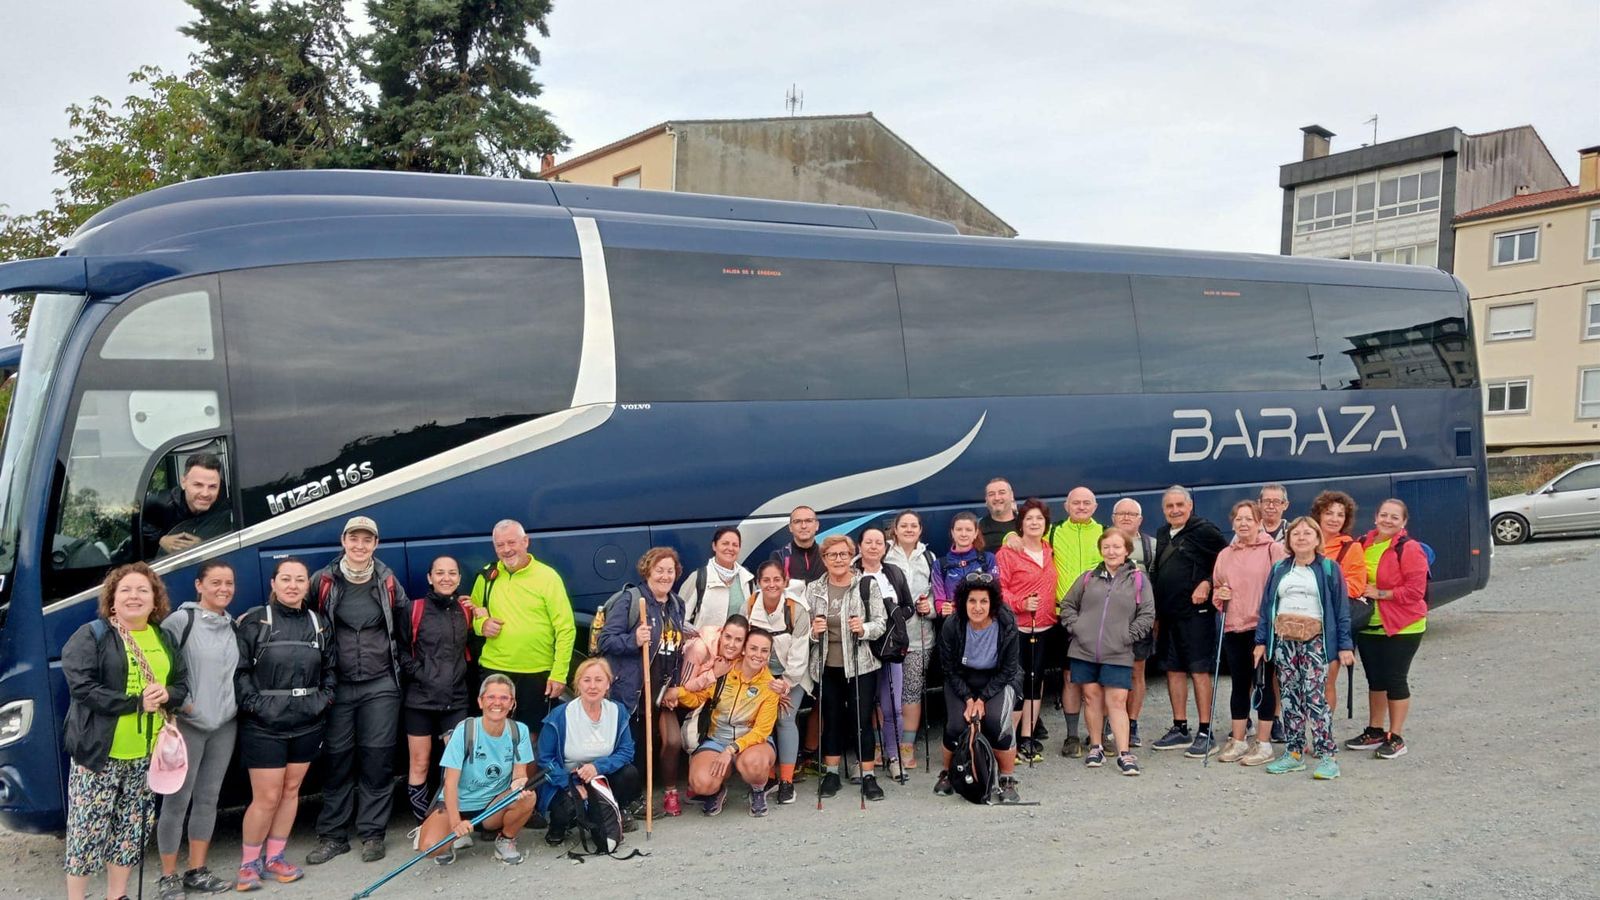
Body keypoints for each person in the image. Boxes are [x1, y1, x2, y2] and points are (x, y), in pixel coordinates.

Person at [63, 563, 191, 900]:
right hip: (99, 754)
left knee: (130, 832)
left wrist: (168, 695)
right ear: (112, 600)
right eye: (126, 590)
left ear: (154, 601)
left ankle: (116, 896)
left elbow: (181, 684)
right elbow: (82, 688)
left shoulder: (163, 637)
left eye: (143, 590)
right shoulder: (92, 635)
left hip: (146, 754)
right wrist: (135, 703)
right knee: (87, 833)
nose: (134, 596)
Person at [308, 516, 411, 865]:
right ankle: (334, 835)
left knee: (377, 760)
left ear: (376, 544)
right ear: (343, 541)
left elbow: (408, 622)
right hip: (337, 683)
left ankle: (372, 833)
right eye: (354, 539)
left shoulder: (387, 580)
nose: (360, 545)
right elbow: (300, 617)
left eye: (367, 540)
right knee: (336, 761)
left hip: (381, 685)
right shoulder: (323, 580)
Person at [233, 558, 334, 891]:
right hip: (264, 724)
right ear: (273, 584)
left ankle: (275, 857)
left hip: (307, 721)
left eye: (300, 580)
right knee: (266, 796)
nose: (293, 585)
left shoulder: (318, 623)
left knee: (291, 791)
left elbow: (331, 670)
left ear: (309, 585)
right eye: (286, 579)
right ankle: (249, 864)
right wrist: (257, 705)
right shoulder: (255, 621)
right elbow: (240, 671)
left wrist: (323, 700)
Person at [155, 561, 240, 898]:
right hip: (187, 725)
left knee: (208, 799)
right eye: (215, 582)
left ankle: (197, 871)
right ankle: (168, 877)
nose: (223, 589)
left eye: (229, 582)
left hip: (224, 726)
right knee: (176, 801)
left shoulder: (232, 625)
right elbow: (161, 667)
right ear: (198, 586)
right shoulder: (180, 621)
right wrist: (185, 706)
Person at [1254, 517, 1356, 779]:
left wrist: (1345, 645)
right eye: (1295, 533)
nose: (1301, 537)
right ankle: (1294, 752)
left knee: (1315, 698)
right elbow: (1266, 608)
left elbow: (1341, 611)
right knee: (1288, 697)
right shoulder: (1279, 569)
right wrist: (1261, 641)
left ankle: (1326, 755)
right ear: (1288, 540)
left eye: (1307, 533)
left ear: (1317, 538)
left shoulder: (1329, 569)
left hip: (1316, 642)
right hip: (1285, 641)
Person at [597, 547, 688, 817]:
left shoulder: (676, 604)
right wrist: (633, 640)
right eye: (659, 570)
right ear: (647, 570)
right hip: (631, 690)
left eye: (670, 570)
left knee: (650, 744)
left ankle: (639, 798)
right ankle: (628, 801)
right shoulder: (631, 600)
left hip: (659, 689)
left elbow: (675, 646)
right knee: (631, 747)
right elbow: (605, 641)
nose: (665, 575)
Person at [469, 519, 577, 735]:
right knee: (493, 733)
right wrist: (482, 625)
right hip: (495, 669)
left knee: (532, 736)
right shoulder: (486, 576)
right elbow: (473, 612)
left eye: (512, 542)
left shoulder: (548, 577)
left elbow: (566, 628)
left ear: (525, 541)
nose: (507, 550)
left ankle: (522, 772)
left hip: (536, 671)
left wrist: (559, 673)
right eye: (500, 545)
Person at [1060, 530, 1154, 776]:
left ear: (1126, 550)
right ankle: (1095, 746)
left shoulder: (1139, 580)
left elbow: (1147, 614)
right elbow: (1067, 605)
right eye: (1107, 547)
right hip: (1083, 650)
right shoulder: (1088, 577)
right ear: (1101, 549)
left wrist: (1127, 636)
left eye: (1117, 547)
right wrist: (1077, 628)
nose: (1111, 552)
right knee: (1091, 698)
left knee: (1117, 701)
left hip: (1118, 651)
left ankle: (1124, 753)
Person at [420, 675, 540, 865]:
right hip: (458, 804)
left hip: (492, 805)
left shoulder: (520, 731)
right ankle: (453, 835)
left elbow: (520, 773)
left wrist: (519, 785)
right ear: (480, 701)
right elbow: (450, 783)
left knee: (528, 797)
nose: (497, 703)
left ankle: (506, 840)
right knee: (430, 848)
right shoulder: (464, 731)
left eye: (504, 698)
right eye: (491, 697)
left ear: (512, 704)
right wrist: (455, 822)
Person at [806, 534, 887, 800]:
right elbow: (802, 628)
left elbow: (880, 623)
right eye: (832, 555)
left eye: (843, 554)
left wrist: (863, 629)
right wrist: (812, 632)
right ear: (824, 559)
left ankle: (868, 776)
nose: (838, 560)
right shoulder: (814, 588)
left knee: (861, 721)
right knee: (832, 720)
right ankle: (831, 774)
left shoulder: (866, 585)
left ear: (851, 556)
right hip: (827, 665)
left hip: (861, 665)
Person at [1149, 486, 1228, 758]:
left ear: (1191, 505)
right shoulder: (1162, 533)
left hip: (1197, 614)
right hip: (1169, 614)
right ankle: (1180, 727)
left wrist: (1207, 583)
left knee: (1198, 670)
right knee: (1173, 669)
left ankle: (1206, 732)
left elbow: (1226, 561)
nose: (1175, 510)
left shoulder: (1205, 530)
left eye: (1180, 505)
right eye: (1169, 506)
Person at [1348, 499, 1429, 760]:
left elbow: (1416, 592)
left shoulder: (1410, 549)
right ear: (1375, 517)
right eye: (1384, 515)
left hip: (1403, 626)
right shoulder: (1362, 544)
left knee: (1395, 679)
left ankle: (1396, 736)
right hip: (1369, 626)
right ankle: (1375, 730)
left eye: (1395, 517)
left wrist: (1380, 593)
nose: (1388, 520)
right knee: (1376, 681)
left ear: (1404, 523)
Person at [1210, 501, 1287, 767]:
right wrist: (1220, 595)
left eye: (1249, 519)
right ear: (1232, 523)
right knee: (1239, 684)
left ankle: (1264, 744)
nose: (1243, 523)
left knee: (1265, 684)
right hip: (1234, 627)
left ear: (1259, 522)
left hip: (1262, 628)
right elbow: (1218, 589)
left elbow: (1283, 587)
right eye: (1239, 519)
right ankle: (1239, 739)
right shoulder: (1225, 555)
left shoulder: (1273, 550)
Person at [402, 556, 476, 829]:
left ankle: (451, 819)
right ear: (429, 578)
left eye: (452, 573)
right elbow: (398, 651)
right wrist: (421, 674)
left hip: (455, 699)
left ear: (458, 578)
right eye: (440, 573)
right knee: (419, 762)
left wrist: (481, 615)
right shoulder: (414, 609)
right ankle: (424, 822)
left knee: (456, 765)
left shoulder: (465, 610)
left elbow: (473, 649)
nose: (446, 578)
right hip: (419, 699)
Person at [934, 572, 1022, 802]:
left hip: (997, 678)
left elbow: (1009, 669)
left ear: (992, 602)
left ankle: (1007, 778)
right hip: (962, 679)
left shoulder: (1007, 623)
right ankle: (946, 773)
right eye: (972, 601)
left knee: (996, 723)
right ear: (964, 602)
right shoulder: (952, 625)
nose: (978, 607)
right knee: (955, 725)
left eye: (984, 601)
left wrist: (982, 699)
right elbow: (949, 669)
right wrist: (968, 699)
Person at [679, 629, 782, 816]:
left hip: (752, 742)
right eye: (753, 648)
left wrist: (731, 749)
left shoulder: (770, 685)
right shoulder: (723, 670)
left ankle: (758, 789)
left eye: (764, 651)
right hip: (717, 739)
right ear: (744, 650)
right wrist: (677, 694)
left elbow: (761, 731)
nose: (758, 655)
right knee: (700, 783)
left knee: (754, 765)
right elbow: (698, 698)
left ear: (769, 655)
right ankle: (718, 790)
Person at [537, 660, 640, 842]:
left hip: (601, 777)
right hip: (567, 779)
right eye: (587, 680)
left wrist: (598, 767)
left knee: (629, 774)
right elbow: (546, 759)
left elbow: (626, 751)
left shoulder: (618, 711)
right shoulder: (559, 716)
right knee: (564, 812)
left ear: (607, 684)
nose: (592, 686)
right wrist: (570, 786)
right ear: (578, 684)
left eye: (599, 680)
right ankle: (561, 823)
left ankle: (614, 809)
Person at [743, 561, 809, 804]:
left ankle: (787, 781)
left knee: (784, 717)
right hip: (760, 676)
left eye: (776, 580)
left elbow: (800, 653)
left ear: (785, 581)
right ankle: (767, 776)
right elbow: (742, 645)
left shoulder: (797, 609)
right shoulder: (749, 606)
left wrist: (786, 684)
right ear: (759, 583)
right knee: (759, 719)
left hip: (793, 675)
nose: (771, 584)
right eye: (766, 580)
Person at [994, 498, 1054, 762]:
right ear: (1020, 524)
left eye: (1039, 519)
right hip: (1016, 627)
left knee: (1035, 682)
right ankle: (1011, 738)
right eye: (1029, 518)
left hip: (1044, 626)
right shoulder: (1007, 553)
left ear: (1045, 524)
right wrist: (1020, 603)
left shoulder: (1050, 549)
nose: (1034, 523)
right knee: (1015, 684)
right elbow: (998, 590)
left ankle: (1029, 737)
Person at [857, 526, 915, 778]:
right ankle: (865, 761)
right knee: (862, 707)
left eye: (878, 542)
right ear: (859, 546)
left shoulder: (893, 573)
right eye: (868, 542)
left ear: (885, 547)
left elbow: (908, 607)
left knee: (892, 707)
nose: (873, 546)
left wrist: (893, 620)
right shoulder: (851, 575)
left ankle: (893, 757)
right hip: (861, 650)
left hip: (890, 649)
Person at [883, 511, 936, 778]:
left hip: (919, 637)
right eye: (904, 525)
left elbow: (940, 594)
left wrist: (932, 607)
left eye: (913, 525)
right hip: (888, 639)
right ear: (895, 529)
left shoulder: (929, 557)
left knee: (911, 693)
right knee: (884, 695)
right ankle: (886, 745)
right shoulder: (884, 555)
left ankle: (906, 745)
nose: (908, 529)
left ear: (920, 529)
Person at [1311, 490, 1367, 711]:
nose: (1334, 519)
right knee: (1302, 684)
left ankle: (1322, 736)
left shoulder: (1350, 548)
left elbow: (1356, 586)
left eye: (1340, 515)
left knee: (1326, 682)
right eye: (1329, 513)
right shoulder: (1305, 541)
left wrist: (1322, 589)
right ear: (1319, 515)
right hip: (1304, 621)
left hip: (1332, 623)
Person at [1110, 498, 1157, 747]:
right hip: (1108, 623)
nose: (1126, 517)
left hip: (1139, 622)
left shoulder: (1151, 546)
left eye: (1132, 514)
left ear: (1140, 519)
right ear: (1113, 518)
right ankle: (1112, 723)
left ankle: (1133, 723)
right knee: (1110, 674)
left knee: (1137, 672)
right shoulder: (1105, 543)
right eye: (1121, 513)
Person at [141, 453, 232, 559]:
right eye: (198, 485)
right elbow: (136, 529)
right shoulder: (158, 504)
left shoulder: (228, 502)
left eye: (212, 487)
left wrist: (204, 544)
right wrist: (160, 540)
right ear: (183, 482)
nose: (205, 493)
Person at [679, 527, 756, 633]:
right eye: (725, 543)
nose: (730, 548)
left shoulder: (748, 580)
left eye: (735, 545)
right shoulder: (699, 578)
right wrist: (700, 639)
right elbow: (679, 618)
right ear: (714, 546)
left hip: (736, 647)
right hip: (704, 646)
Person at [933, 512, 998, 614]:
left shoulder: (988, 559)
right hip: (954, 622)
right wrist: (944, 609)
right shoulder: (940, 564)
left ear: (976, 533)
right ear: (952, 533)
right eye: (959, 529)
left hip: (982, 619)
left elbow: (995, 594)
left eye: (968, 530)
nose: (963, 534)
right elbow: (939, 601)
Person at [772, 506, 826, 589]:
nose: (803, 526)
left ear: (817, 525)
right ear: (790, 527)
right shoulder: (779, 556)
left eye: (808, 521)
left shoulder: (827, 555)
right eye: (797, 521)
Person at [977, 477, 1018, 554]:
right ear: (986, 500)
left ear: (1012, 496)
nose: (997, 498)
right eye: (991, 494)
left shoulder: (1026, 525)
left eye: (1002, 492)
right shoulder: (977, 529)